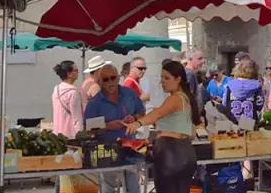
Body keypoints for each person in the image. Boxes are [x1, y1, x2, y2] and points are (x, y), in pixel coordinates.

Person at [125, 61, 199, 193]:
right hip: (186, 152)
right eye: (161, 78)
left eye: (166, 78)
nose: (162, 81)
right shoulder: (188, 98)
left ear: (178, 79)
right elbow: (192, 132)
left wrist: (138, 123)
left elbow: (157, 113)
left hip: (170, 153)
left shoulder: (175, 99)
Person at [84, 64, 145, 193]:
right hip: (106, 151)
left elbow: (142, 112)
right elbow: (88, 128)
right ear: (100, 82)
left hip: (130, 148)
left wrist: (134, 118)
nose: (110, 82)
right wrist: (107, 126)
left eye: (113, 78)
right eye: (105, 79)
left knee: (133, 187)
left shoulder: (130, 94)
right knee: (108, 188)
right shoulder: (95, 102)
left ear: (118, 78)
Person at [222, 58, 264, 123]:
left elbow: (224, 104)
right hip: (250, 122)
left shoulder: (229, 85)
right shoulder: (257, 86)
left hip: (232, 122)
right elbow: (259, 105)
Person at [52, 61, 83, 137]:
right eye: (75, 70)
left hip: (57, 133)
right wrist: (80, 134)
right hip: (70, 135)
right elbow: (77, 118)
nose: (78, 72)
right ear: (69, 74)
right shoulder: (73, 92)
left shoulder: (56, 90)